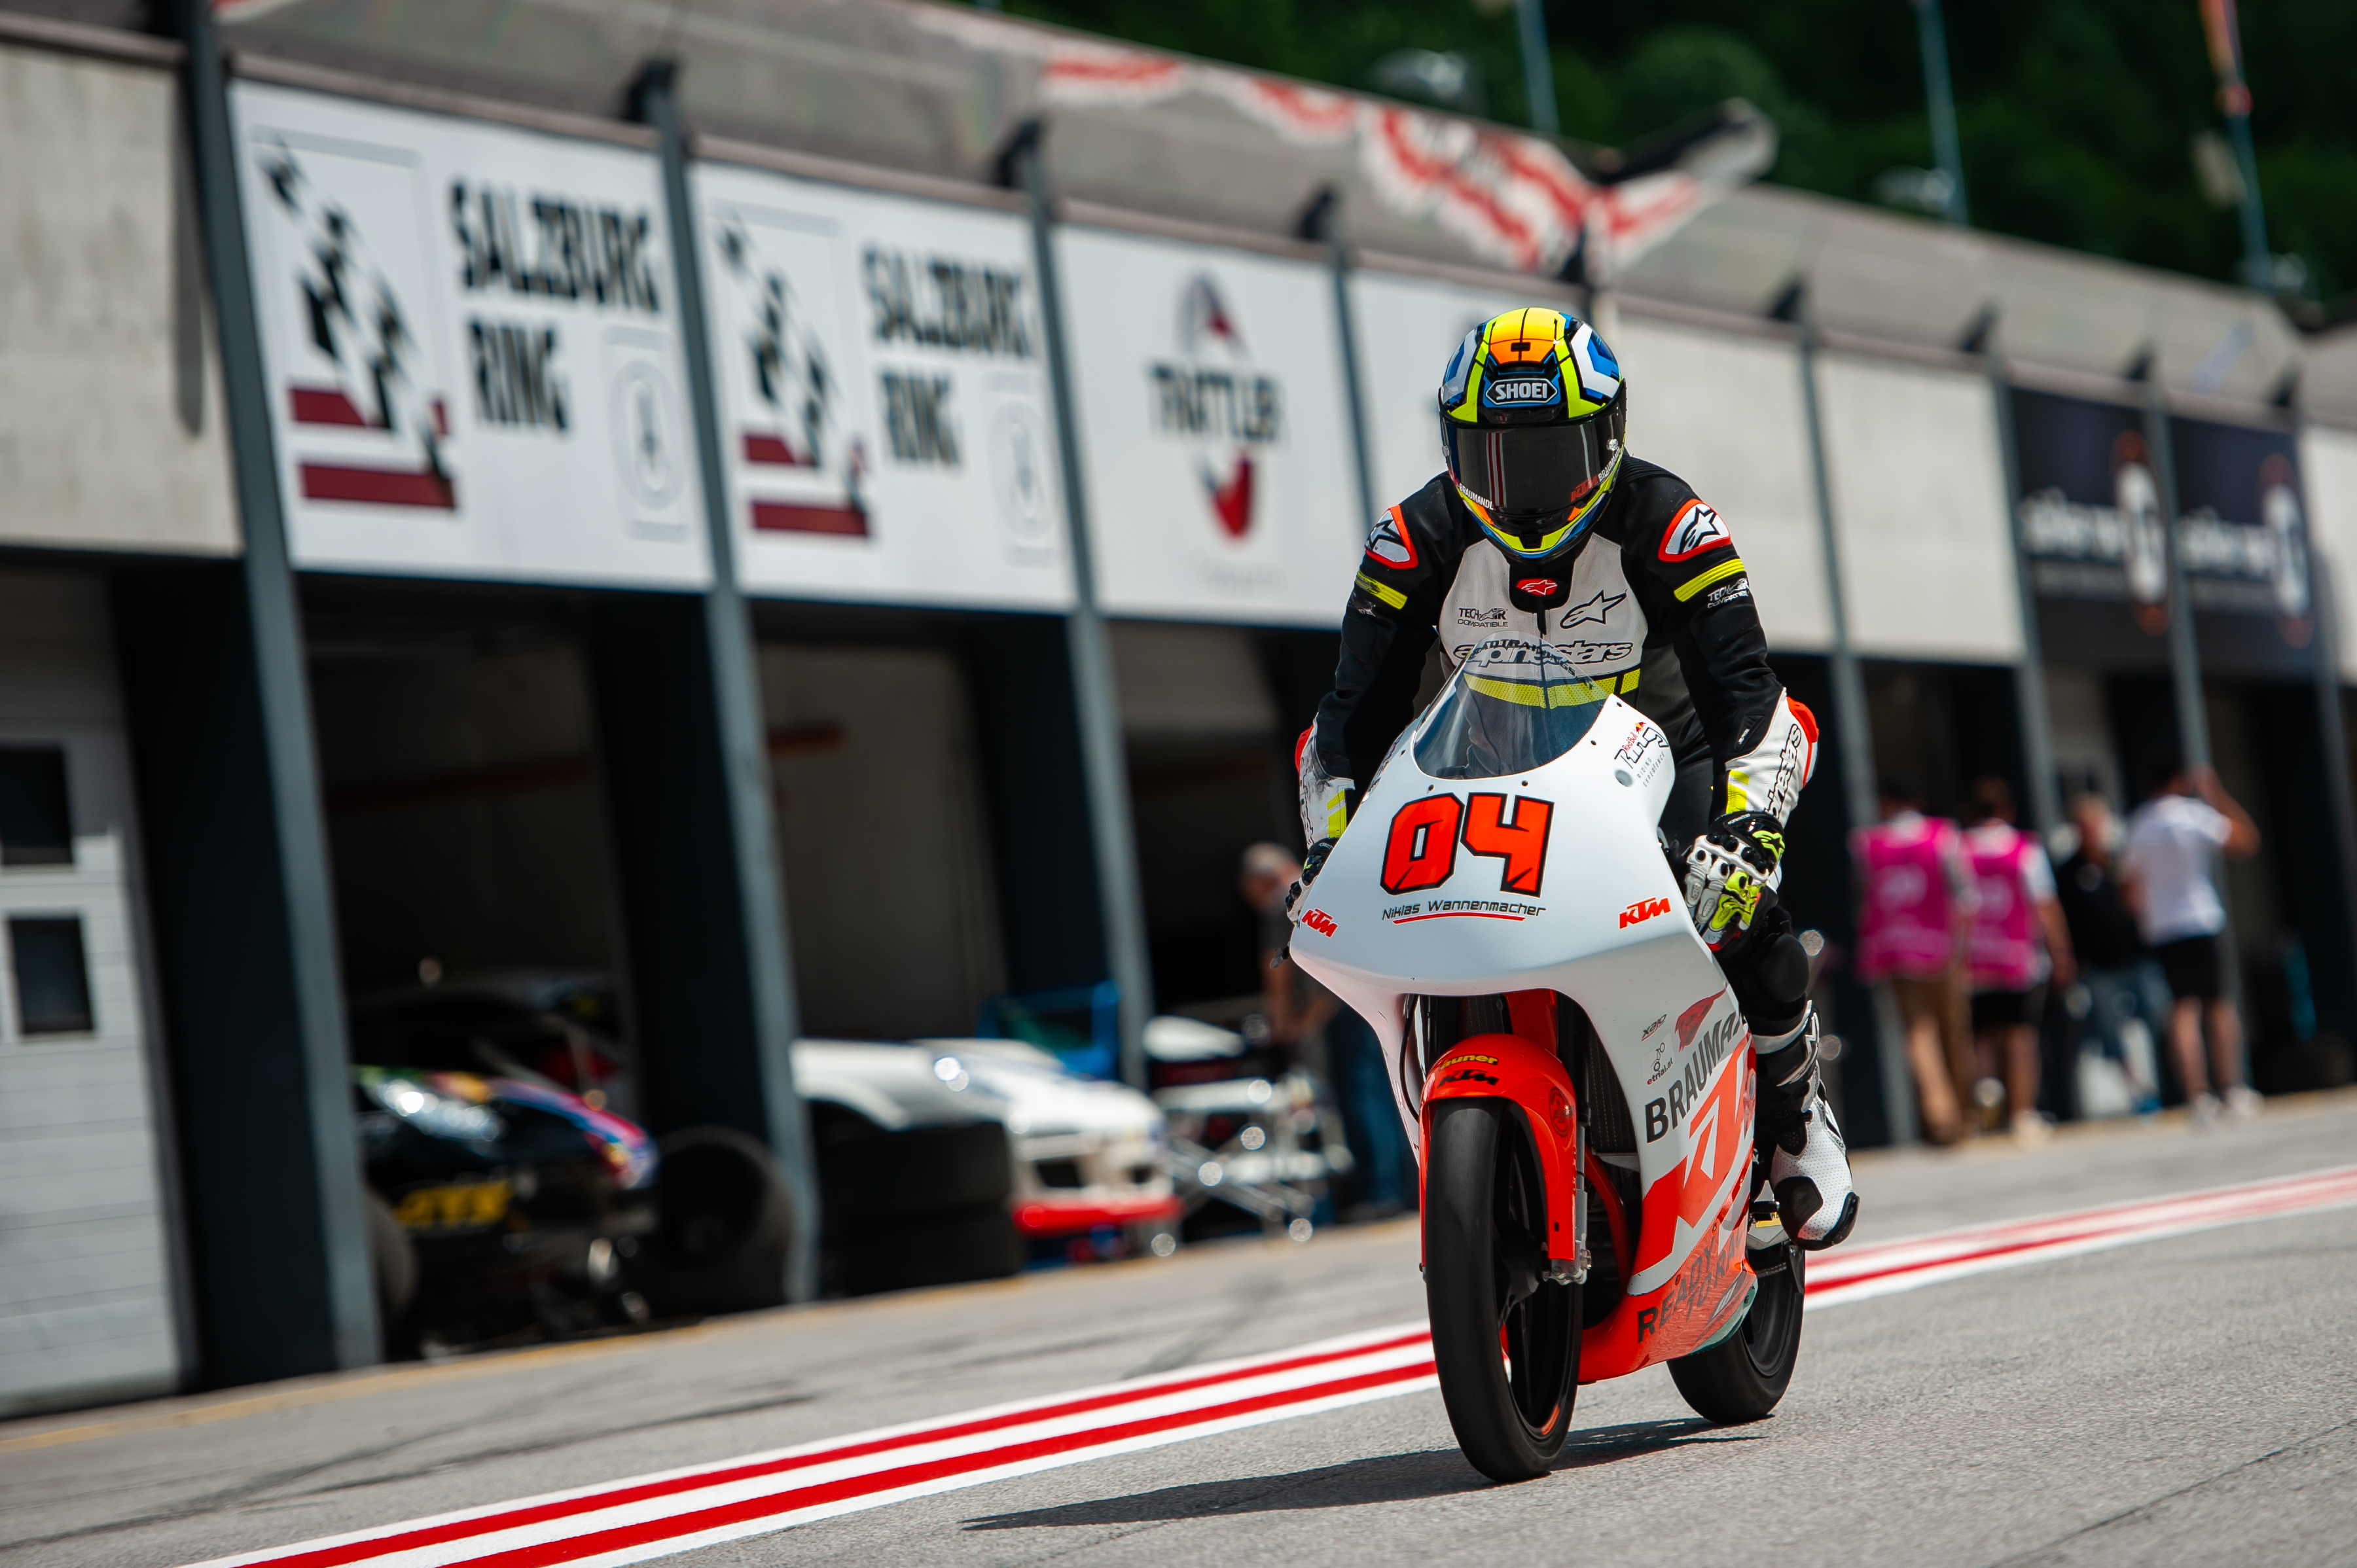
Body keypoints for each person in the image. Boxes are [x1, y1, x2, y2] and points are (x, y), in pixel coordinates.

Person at [1286, 307, 1856, 1251]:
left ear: (1610, 432)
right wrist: (1328, 844)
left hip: (1668, 759)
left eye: (1549, 455)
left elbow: (1748, 689)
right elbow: (1349, 719)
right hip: (1487, 772)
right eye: (1490, 457)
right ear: (1450, 447)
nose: (1519, 489)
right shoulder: (1410, 538)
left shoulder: (1671, 521)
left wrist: (1748, 827)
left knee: (1736, 907)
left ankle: (1794, 1111)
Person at [1241, 845, 1412, 1214]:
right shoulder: (1330, 884)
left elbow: (1278, 976)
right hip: (1381, 994)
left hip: (1344, 1007)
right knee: (1392, 1091)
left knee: (1359, 1096)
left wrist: (1289, 1027)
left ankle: (1380, 1194)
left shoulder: (1284, 900)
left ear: (1261, 880)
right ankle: (1409, 1188)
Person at [2119, 754, 2263, 1124]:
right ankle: (2231, 1088)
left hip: (2164, 928)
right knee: (2217, 1005)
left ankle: (2197, 1096)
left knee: (2182, 1009)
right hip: (2200, 919)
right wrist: (2216, 795)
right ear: (2179, 779)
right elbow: (2246, 840)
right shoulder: (2191, 815)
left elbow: (2131, 891)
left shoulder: (2139, 824)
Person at [1850, 776, 1975, 1145]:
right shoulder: (1944, 835)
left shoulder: (1866, 843)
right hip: (1942, 946)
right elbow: (1964, 895)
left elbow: (1863, 899)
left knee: (1918, 1032)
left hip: (1896, 948)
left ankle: (1939, 1114)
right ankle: (1964, 1113)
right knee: (1954, 1029)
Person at [1961, 777, 2075, 1145]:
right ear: (2007, 810)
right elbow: (2044, 902)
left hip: (1974, 957)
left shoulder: (1960, 848)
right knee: (2021, 1035)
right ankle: (2022, 1114)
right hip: (2017, 956)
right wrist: (2061, 951)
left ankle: (1985, 1105)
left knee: (1979, 1039)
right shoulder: (2024, 847)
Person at [2054, 793, 2165, 1114]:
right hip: (2097, 965)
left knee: (2160, 1014)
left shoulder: (2121, 860)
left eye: (2095, 824)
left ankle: (2176, 1083)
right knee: (2107, 1028)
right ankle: (2139, 1090)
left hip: (2136, 957)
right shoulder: (2067, 871)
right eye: (2083, 825)